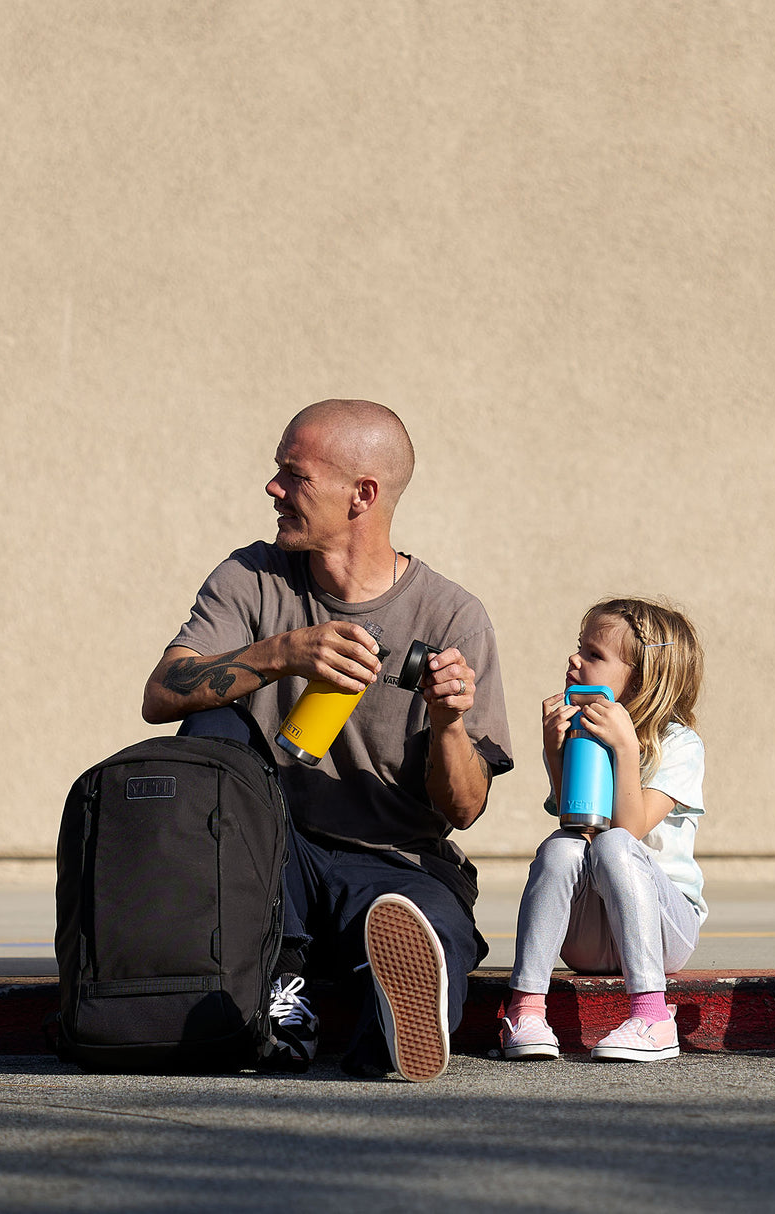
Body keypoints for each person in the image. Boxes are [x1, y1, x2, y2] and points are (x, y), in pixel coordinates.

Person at [142, 399, 512, 1082]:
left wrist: (450, 723)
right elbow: (161, 693)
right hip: (275, 851)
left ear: (361, 496)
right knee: (210, 726)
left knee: (427, 925)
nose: (273, 488)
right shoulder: (252, 577)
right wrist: (282, 653)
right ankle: (285, 994)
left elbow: (462, 809)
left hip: (396, 861)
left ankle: (392, 1023)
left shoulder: (451, 615)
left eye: (294, 475)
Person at [500, 597, 706, 1063]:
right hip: (592, 934)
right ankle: (526, 1011)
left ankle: (652, 1016)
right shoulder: (582, 731)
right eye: (579, 647)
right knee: (561, 846)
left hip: (664, 928)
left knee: (614, 843)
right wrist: (555, 754)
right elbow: (575, 822)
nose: (575, 659)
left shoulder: (679, 745)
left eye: (594, 655)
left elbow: (626, 831)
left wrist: (626, 749)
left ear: (642, 678)